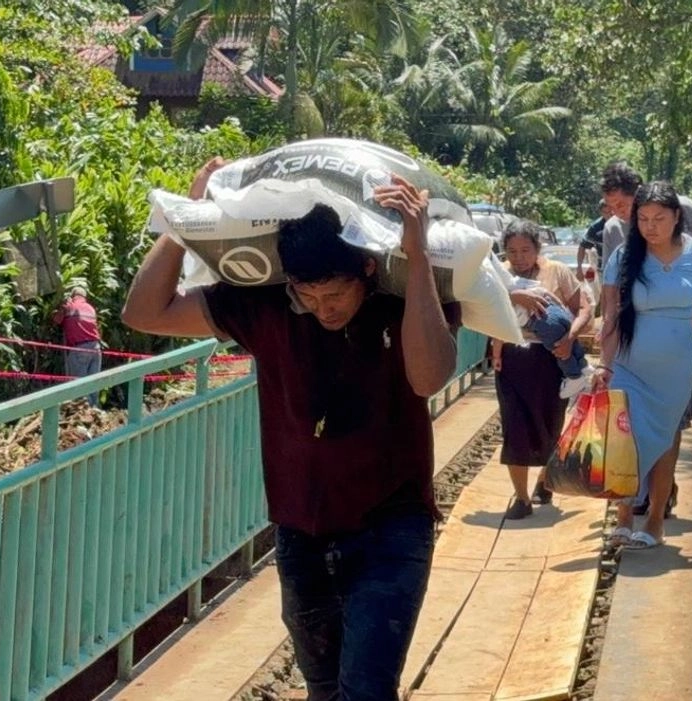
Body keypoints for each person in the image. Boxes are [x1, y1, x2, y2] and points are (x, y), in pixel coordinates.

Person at [121, 158, 458, 701]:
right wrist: (185, 219)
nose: (323, 309)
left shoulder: (404, 303)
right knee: (323, 688)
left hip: (392, 529)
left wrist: (417, 258)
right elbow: (144, 312)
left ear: (368, 272)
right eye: (309, 296)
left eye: (335, 296)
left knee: (367, 690)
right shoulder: (263, 307)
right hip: (301, 530)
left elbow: (429, 378)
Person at [597, 181, 692, 550]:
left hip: (675, 367)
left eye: (659, 218)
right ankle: (623, 517)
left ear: (677, 218)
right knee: (626, 439)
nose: (650, 226)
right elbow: (609, 314)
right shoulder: (623, 257)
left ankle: (654, 520)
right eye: (643, 218)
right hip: (629, 363)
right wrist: (604, 366)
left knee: (665, 441)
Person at [493, 220, 595, 518]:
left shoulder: (556, 271)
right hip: (512, 356)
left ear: (537, 249)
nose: (519, 257)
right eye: (512, 251)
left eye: (526, 250)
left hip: (551, 358)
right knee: (514, 425)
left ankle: (544, 482)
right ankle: (522, 498)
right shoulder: (501, 275)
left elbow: (585, 309)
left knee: (550, 423)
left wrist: (569, 338)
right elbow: (484, 308)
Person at [53, 287, 102, 405]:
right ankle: (95, 411)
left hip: (80, 348)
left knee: (79, 386)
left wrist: (59, 307)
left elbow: (56, 320)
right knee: (94, 384)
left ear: (73, 295)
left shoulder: (70, 306)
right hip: (96, 347)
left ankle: (85, 413)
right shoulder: (91, 308)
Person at [598, 163, 643, 271]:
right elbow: (609, 277)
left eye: (620, 205)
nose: (616, 213)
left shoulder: (678, 210)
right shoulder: (612, 227)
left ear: (638, 193)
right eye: (611, 207)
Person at [577, 200, 611, 277]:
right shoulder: (595, 227)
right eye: (605, 212)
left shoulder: (623, 224)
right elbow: (582, 246)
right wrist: (579, 268)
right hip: (604, 271)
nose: (609, 215)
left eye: (611, 212)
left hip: (622, 270)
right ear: (601, 212)